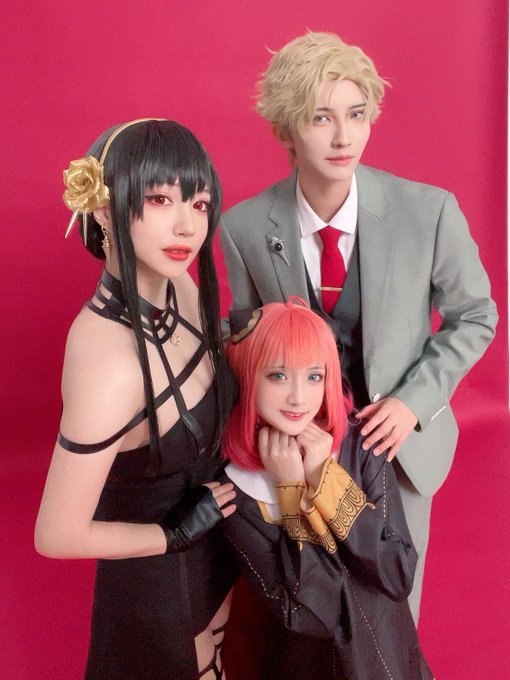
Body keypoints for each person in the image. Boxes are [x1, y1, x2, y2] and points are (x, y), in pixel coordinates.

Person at [220, 31, 498, 621]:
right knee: (309, 610)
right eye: (321, 118)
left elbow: (477, 315)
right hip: (296, 449)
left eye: (357, 113)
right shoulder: (243, 228)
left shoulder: (430, 212)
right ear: (287, 129)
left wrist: (412, 403)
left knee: (392, 612)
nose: (344, 136)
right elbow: (245, 340)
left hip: (397, 448)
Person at [35, 118, 238, 680]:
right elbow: (55, 533)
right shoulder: (109, 363)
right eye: (159, 199)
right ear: (103, 209)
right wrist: (173, 533)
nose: (186, 225)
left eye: (199, 204)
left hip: (222, 558)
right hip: (159, 589)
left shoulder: (181, 287)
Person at [220, 298, 433, 679]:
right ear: (248, 376)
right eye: (278, 375)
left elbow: (397, 571)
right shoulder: (235, 490)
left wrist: (324, 476)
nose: (298, 397)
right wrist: (289, 489)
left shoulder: (360, 445)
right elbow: (315, 613)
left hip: (389, 664)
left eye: (314, 376)